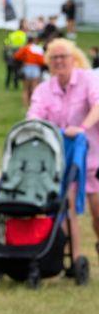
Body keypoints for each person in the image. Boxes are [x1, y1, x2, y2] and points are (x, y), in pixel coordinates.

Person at [26, 38, 99, 258]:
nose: (59, 61)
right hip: (62, 162)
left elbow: (98, 104)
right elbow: (34, 115)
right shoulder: (44, 89)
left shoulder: (88, 80)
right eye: (54, 57)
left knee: (97, 213)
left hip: (93, 158)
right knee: (65, 211)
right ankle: (72, 260)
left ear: (73, 58)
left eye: (63, 56)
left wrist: (82, 127)